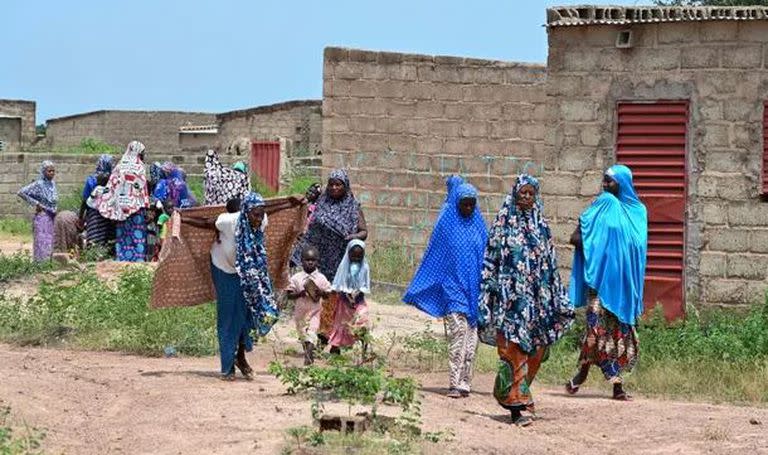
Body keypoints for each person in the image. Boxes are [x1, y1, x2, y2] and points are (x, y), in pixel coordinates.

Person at [477, 174, 575, 427]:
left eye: (532, 194)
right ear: (515, 193)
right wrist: (487, 296)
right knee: (514, 351)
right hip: (511, 303)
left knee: (536, 350)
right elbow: (490, 261)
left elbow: (551, 263)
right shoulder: (502, 222)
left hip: (537, 302)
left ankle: (517, 394)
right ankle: (516, 407)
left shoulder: (541, 225)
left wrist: (557, 296)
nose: (527, 198)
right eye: (523, 193)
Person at [183, 193, 301, 380]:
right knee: (229, 317)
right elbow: (208, 223)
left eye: (260, 214)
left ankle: (240, 356)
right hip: (224, 270)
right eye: (255, 214)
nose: (258, 218)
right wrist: (184, 218)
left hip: (249, 271)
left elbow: (269, 208)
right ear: (246, 213)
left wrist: (289, 204)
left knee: (253, 314)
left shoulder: (262, 221)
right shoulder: (229, 221)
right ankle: (228, 366)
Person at [566, 164, 647, 401]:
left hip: (623, 285)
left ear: (622, 183)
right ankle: (612, 382)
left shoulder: (638, 211)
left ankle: (586, 375)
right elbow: (577, 236)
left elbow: (637, 248)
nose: (605, 185)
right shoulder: (603, 204)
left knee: (618, 332)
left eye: (610, 181)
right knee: (595, 328)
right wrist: (598, 245)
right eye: (604, 180)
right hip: (600, 284)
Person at [403, 175, 487, 398]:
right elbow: (435, 255)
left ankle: (465, 382)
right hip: (452, 288)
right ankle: (453, 382)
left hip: (474, 288)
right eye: (464, 204)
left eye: (472, 204)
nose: (468, 208)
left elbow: (487, 257)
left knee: (471, 338)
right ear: (457, 202)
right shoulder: (446, 224)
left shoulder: (479, 226)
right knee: (457, 332)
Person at [291, 169, 367, 348]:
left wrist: (353, 237)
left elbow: (364, 231)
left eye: (338, 184)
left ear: (345, 186)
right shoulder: (320, 200)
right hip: (315, 258)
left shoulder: (353, 206)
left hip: (337, 259)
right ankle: (309, 334)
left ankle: (324, 336)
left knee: (331, 297)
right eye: (331, 184)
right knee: (310, 295)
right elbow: (302, 211)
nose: (334, 187)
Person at [96, 141, 150, 262]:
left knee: (123, 235)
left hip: (120, 209)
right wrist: (146, 206)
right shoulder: (140, 166)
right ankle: (138, 261)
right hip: (136, 208)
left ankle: (123, 259)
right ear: (139, 152)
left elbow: (111, 186)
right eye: (143, 153)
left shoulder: (119, 166)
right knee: (137, 235)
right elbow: (142, 188)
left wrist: (110, 205)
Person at [286, 245, 332, 365]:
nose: (310, 263)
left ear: (317, 261)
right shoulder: (296, 278)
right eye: (307, 260)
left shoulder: (321, 278)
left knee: (312, 333)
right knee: (303, 335)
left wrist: (321, 293)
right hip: (300, 314)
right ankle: (308, 353)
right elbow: (289, 295)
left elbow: (328, 294)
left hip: (314, 312)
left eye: (313, 260)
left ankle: (309, 357)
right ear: (301, 261)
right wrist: (300, 294)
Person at [328, 239, 371, 356]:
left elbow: (364, 286)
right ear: (348, 254)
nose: (356, 259)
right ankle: (335, 347)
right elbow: (339, 285)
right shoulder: (344, 267)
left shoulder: (365, 267)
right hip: (344, 302)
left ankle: (364, 348)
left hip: (358, 300)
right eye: (354, 256)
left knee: (362, 321)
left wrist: (357, 293)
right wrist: (346, 294)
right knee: (341, 324)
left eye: (359, 257)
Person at [17, 160, 58, 261]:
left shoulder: (52, 184)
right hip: (42, 217)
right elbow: (21, 192)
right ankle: (40, 264)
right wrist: (36, 203)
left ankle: (49, 263)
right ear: (44, 172)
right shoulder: (39, 184)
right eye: (49, 171)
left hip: (52, 217)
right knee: (42, 241)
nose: (52, 173)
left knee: (50, 241)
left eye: (53, 171)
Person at [83, 172, 116, 254]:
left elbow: (88, 201)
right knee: (103, 236)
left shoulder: (96, 188)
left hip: (94, 215)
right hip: (104, 216)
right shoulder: (109, 190)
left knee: (94, 235)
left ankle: (92, 253)